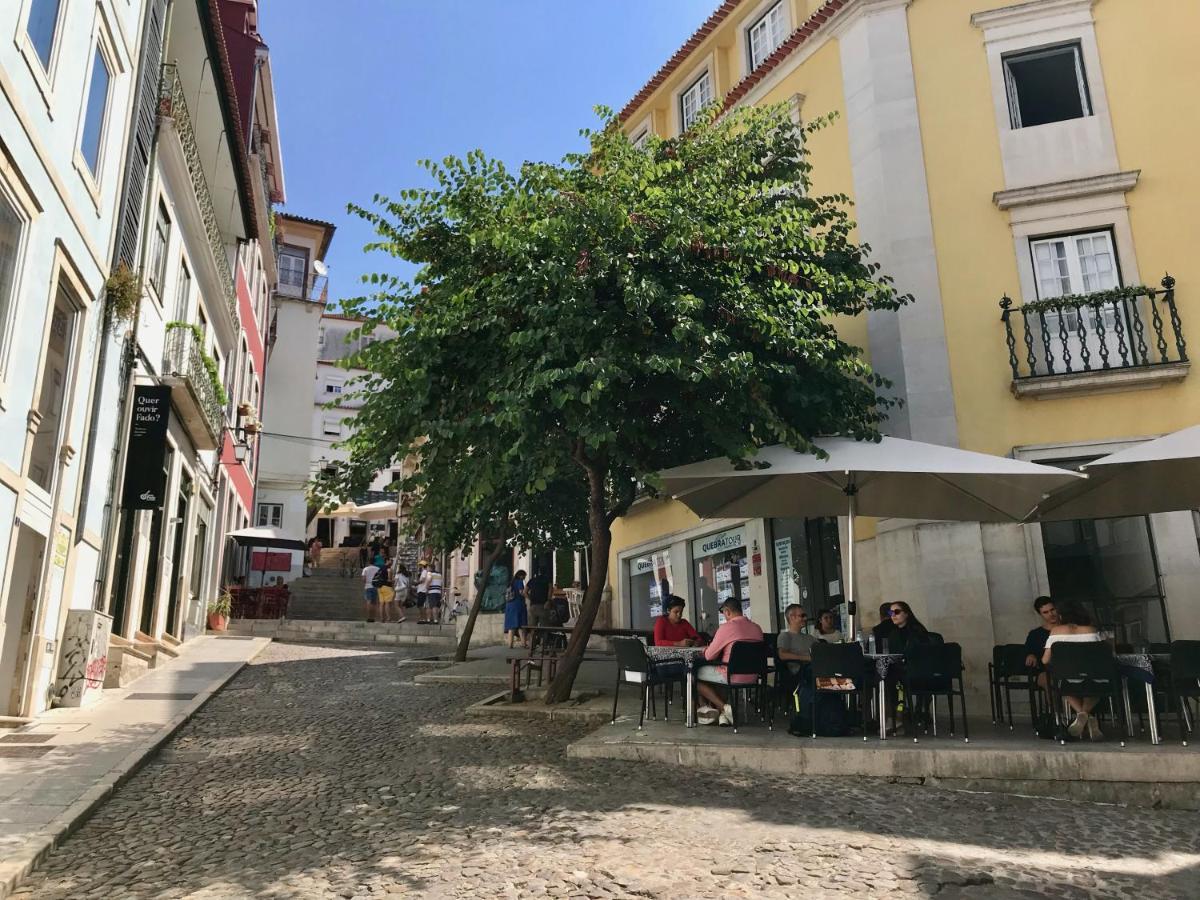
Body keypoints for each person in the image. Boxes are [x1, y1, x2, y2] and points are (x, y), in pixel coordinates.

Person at [696, 597, 764, 726]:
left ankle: (724, 708)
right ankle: (723, 717)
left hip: (731, 675)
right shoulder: (757, 628)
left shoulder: (726, 628)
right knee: (718, 674)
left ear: (727, 612)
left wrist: (706, 650)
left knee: (695, 675)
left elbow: (709, 656)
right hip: (753, 676)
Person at [1041, 598, 1104, 739]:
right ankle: (1086, 714)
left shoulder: (1056, 632)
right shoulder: (1092, 630)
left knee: (1060, 684)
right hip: (1095, 678)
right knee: (1097, 687)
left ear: (1061, 616)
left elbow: (1045, 659)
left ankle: (1081, 714)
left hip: (1067, 679)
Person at [505, 569, 528, 649]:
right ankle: (523, 643)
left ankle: (510, 644)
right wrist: (528, 597)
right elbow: (521, 592)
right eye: (524, 575)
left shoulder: (510, 583)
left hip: (509, 606)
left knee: (512, 626)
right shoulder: (519, 582)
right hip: (518, 605)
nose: (525, 577)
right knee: (521, 625)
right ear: (520, 575)